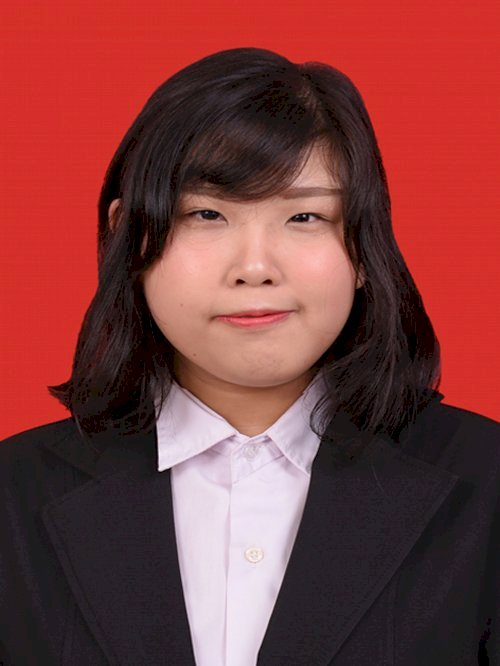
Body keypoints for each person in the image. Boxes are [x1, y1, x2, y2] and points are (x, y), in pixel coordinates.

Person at [0, 47, 498, 666]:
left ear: (363, 248)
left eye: (305, 215)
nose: (255, 267)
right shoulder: (13, 497)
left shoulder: (486, 483)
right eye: (206, 214)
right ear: (131, 237)